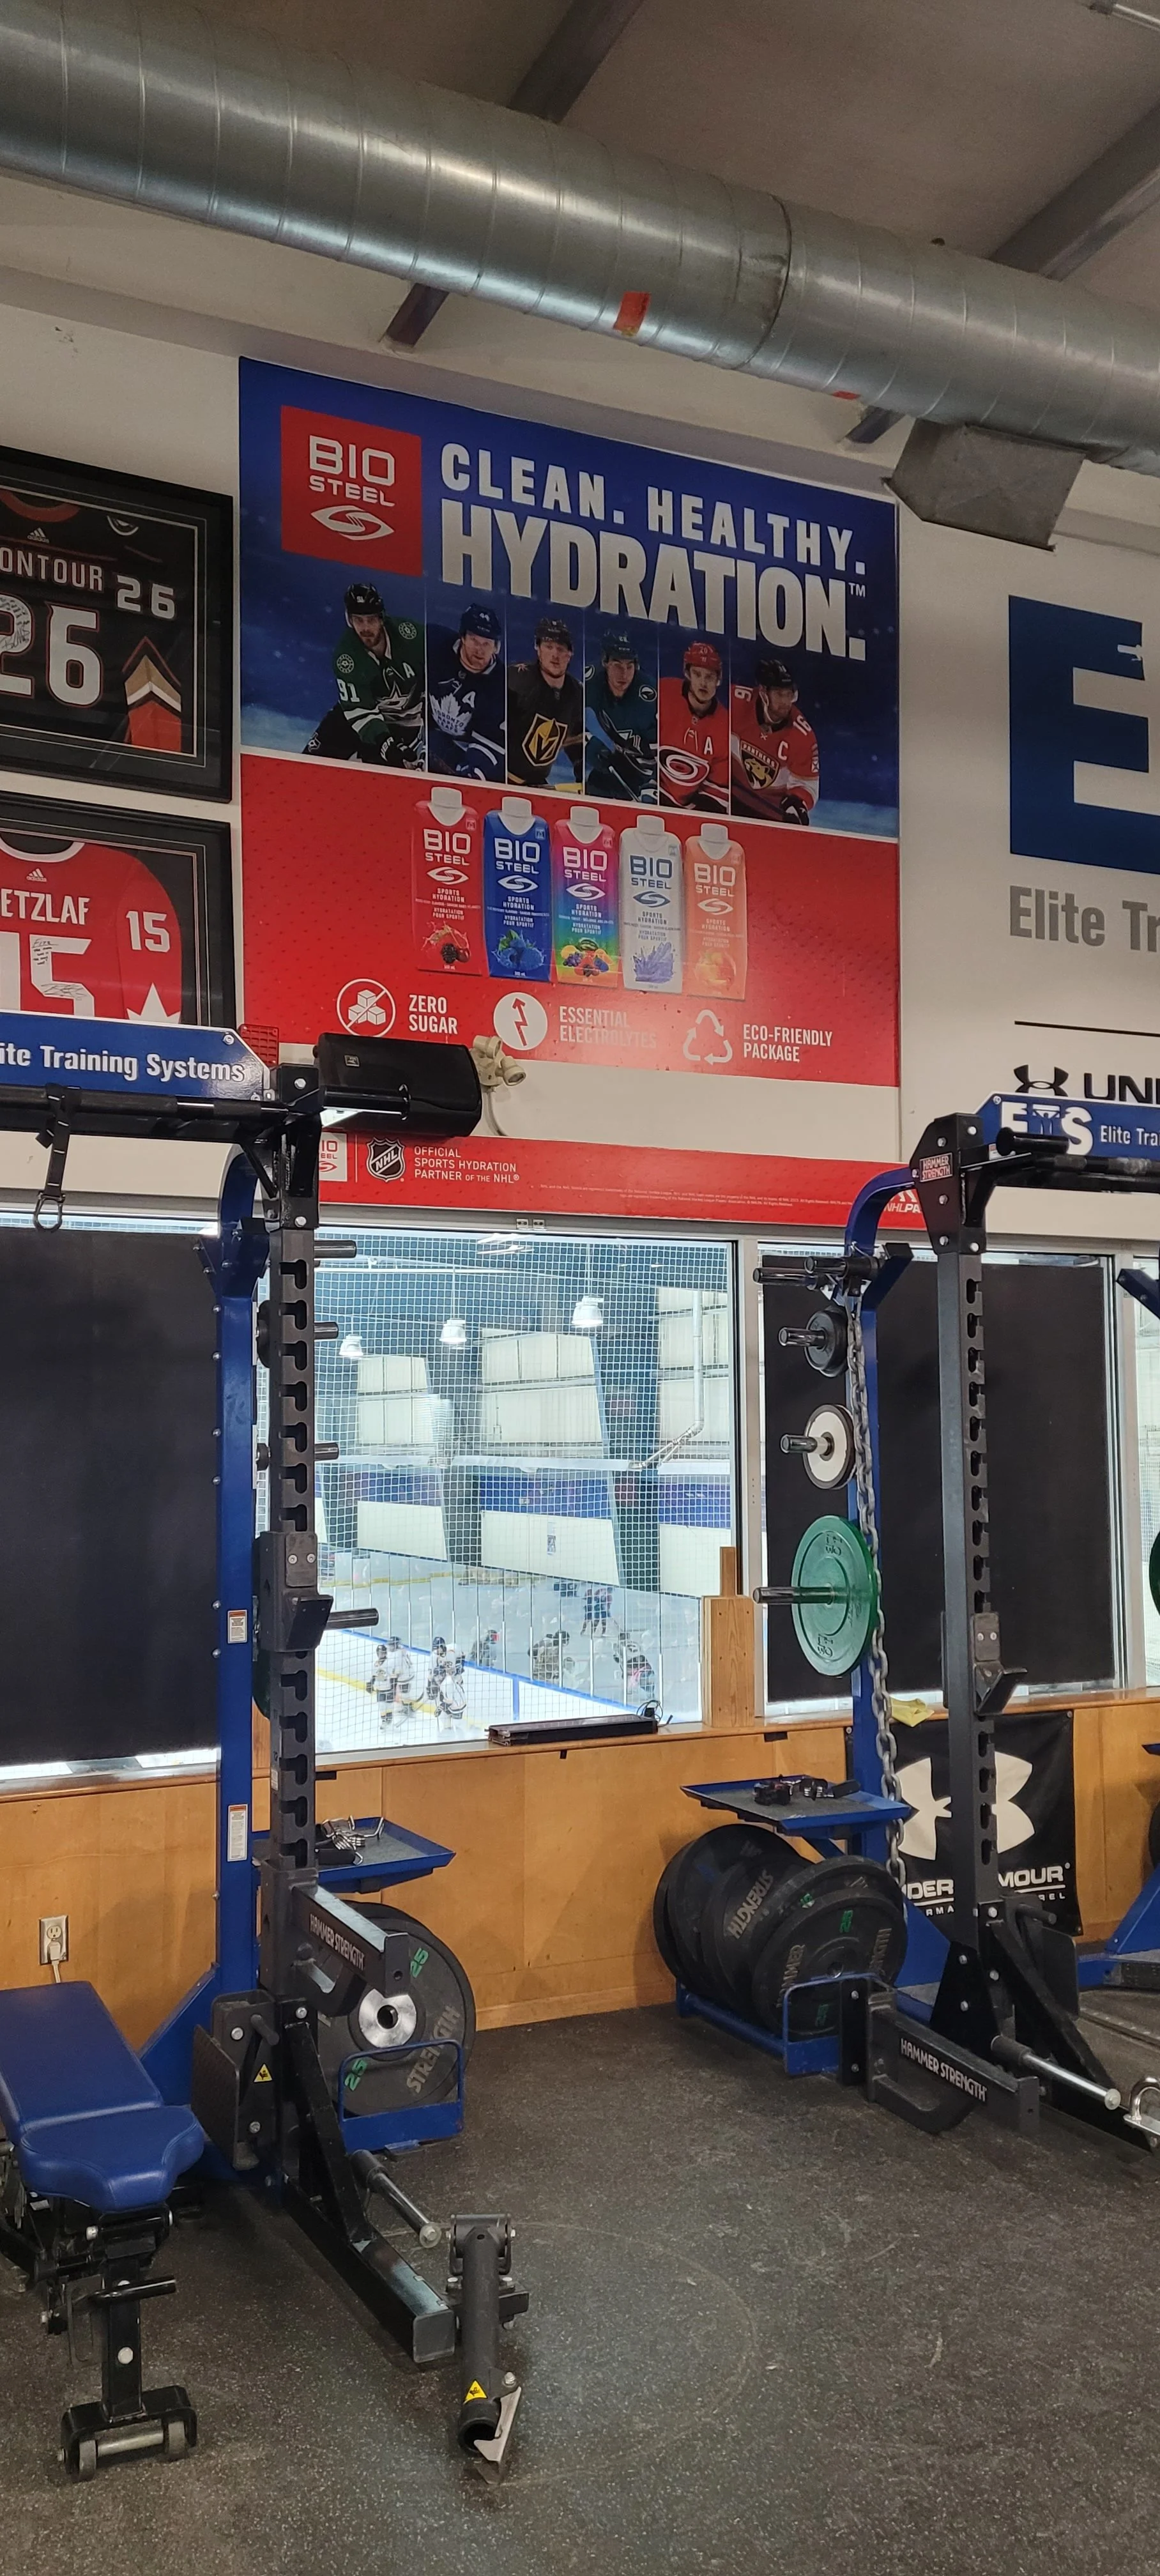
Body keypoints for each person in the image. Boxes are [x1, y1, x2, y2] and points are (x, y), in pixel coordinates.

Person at [304, 582, 425, 767]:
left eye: (371, 620)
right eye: (359, 620)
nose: (366, 628)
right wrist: (385, 743)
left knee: (385, 781)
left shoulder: (410, 635)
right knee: (310, 765)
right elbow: (359, 710)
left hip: (405, 721)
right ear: (349, 620)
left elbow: (441, 658)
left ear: (382, 618)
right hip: (363, 717)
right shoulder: (347, 657)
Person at [730, 656, 820, 822]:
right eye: (779, 694)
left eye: (789, 694)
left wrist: (797, 802)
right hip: (730, 797)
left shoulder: (802, 735)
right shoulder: (735, 702)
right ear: (764, 692)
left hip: (771, 813)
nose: (786, 702)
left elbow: (808, 786)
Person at [426, 602, 507, 781]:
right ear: (462, 637)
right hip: (424, 734)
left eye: (487, 643)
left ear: (496, 647)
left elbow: (491, 741)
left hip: (465, 749)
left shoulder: (501, 684)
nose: (480, 650)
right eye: (474, 640)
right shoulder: (433, 643)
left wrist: (472, 774)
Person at [507, 616, 584, 789]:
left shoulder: (576, 693)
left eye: (561, 648)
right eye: (549, 647)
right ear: (538, 648)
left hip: (538, 785)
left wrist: (582, 772)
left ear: (570, 653)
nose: (555, 655)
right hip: (501, 779)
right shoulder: (516, 679)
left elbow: (577, 740)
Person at [583, 629, 657, 801]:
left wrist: (653, 786)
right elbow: (569, 717)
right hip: (619, 763)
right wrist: (587, 740)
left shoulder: (649, 697)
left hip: (652, 774)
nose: (624, 674)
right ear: (605, 662)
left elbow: (668, 752)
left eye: (629, 666)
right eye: (617, 665)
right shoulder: (592, 681)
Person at [658, 640, 729, 812]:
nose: (703, 683)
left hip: (688, 809)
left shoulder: (725, 725)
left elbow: (717, 789)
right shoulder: (663, 692)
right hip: (652, 793)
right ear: (687, 673)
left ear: (718, 679)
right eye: (697, 674)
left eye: (709, 677)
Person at [365, 1636, 413, 1727]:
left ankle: (403, 1711)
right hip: (380, 1689)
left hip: (390, 1686)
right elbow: (374, 1676)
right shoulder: (376, 1664)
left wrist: (393, 1689)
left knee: (389, 1705)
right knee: (382, 1706)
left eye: (383, 1653)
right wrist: (370, 1684)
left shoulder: (391, 1661)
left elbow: (394, 1676)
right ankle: (384, 1721)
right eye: (380, 1653)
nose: (381, 1655)